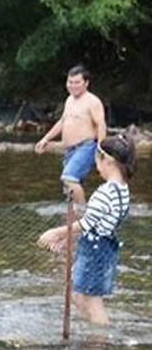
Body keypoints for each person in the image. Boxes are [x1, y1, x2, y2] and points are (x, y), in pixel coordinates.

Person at [38, 135, 136, 325]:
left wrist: (57, 233)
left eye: (96, 161)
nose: (95, 167)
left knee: (92, 302)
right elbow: (98, 223)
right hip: (104, 248)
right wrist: (67, 240)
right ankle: (91, 330)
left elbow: (87, 223)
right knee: (78, 295)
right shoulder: (122, 189)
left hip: (95, 252)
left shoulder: (105, 192)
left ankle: (101, 340)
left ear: (107, 161)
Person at [35, 65, 107, 205]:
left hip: (86, 147)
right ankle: (73, 216)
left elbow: (101, 125)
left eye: (77, 82)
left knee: (69, 178)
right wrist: (45, 138)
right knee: (69, 188)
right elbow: (62, 121)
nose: (73, 86)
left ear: (86, 83)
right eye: (70, 82)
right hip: (69, 150)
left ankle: (83, 214)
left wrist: (100, 149)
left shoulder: (92, 101)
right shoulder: (69, 100)